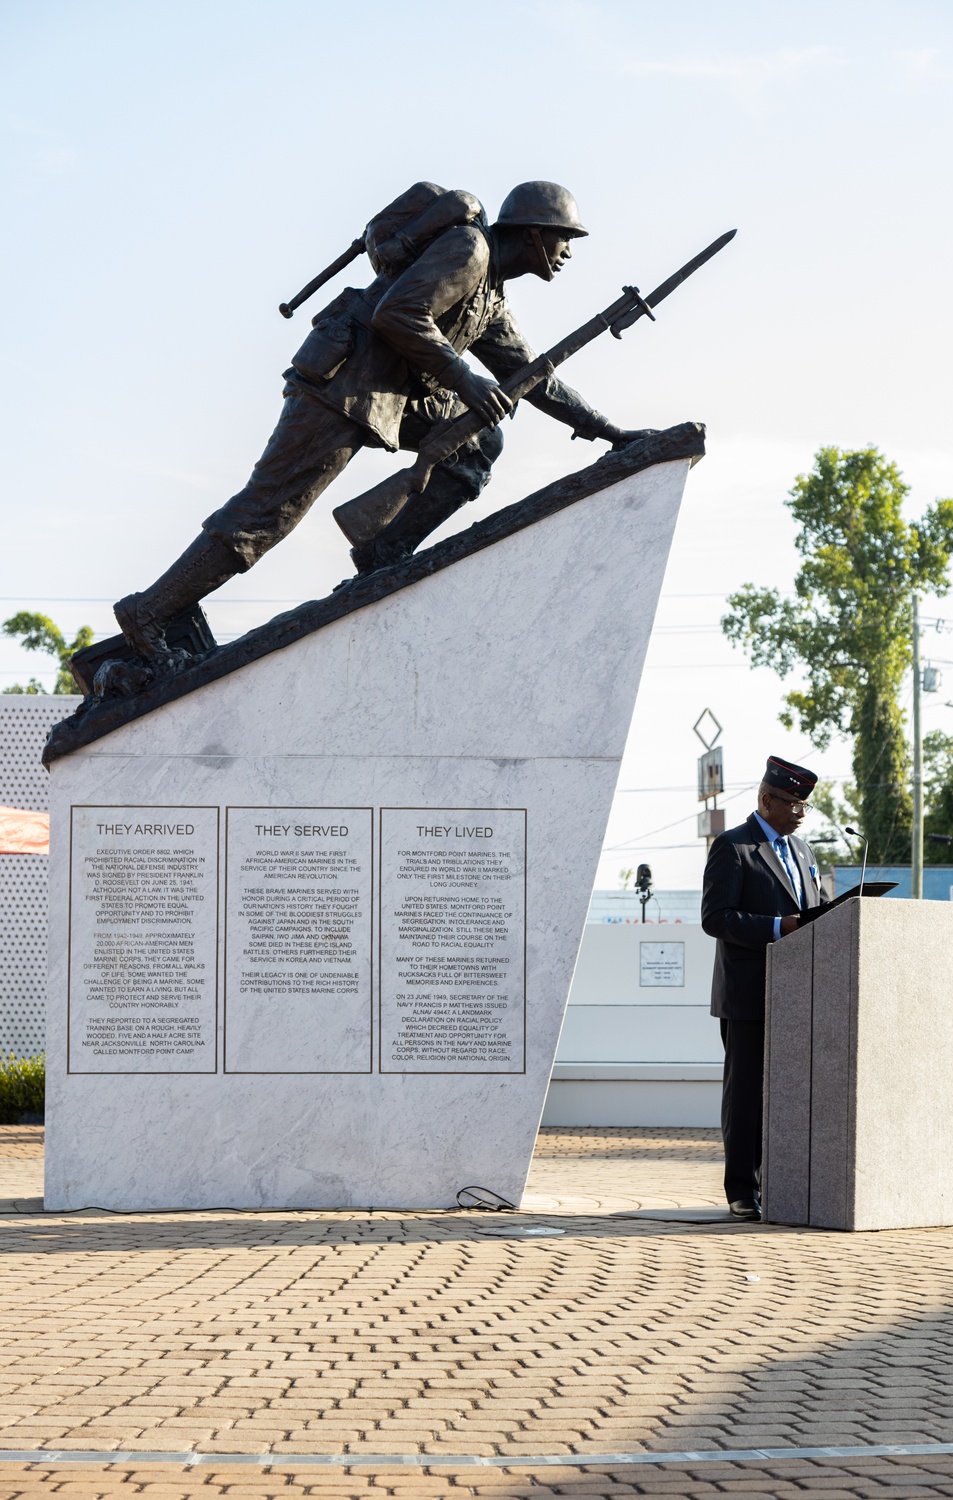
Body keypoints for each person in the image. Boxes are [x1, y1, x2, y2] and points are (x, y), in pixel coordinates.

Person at [113, 180, 655, 670]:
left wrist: (607, 432)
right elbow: (397, 312)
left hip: (388, 394)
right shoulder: (470, 252)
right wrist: (463, 378)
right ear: (535, 234)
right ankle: (150, 614)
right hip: (340, 386)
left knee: (477, 442)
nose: (568, 253)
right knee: (268, 512)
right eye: (565, 239)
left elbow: (533, 376)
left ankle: (382, 554)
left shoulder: (491, 296)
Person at [701, 755, 828, 1220]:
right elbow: (714, 918)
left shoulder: (804, 852)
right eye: (793, 803)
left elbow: (816, 909)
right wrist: (780, 926)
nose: (799, 812)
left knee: (790, 1092)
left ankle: (784, 1183)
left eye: (804, 806)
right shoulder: (734, 847)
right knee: (747, 1095)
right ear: (766, 799)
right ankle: (741, 1190)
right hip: (749, 993)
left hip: (799, 994)